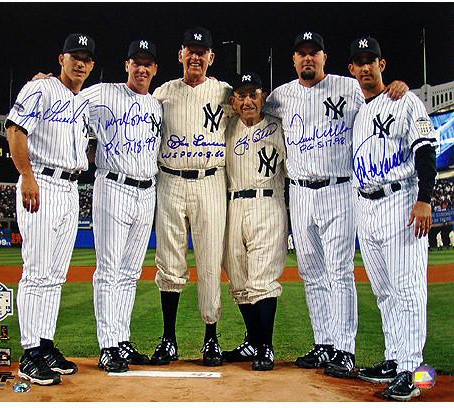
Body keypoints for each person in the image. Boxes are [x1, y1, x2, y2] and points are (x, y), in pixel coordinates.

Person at [265, 31, 408, 378]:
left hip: (339, 189)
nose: (308, 58)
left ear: (325, 58)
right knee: (311, 273)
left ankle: (344, 348)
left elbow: (380, 98)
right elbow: (248, 107)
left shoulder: (349, 88)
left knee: (339, 272)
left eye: (314, 53)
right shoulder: (279, 97)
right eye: (302, 53)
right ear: (294, 60)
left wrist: (396, 87)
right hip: (299, 192)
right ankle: (324, 343)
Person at [348, 36, 436, 401]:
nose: (366, 67)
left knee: (408, 290)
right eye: (359, 61)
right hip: (366, 209)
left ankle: (413, 370)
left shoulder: (404, 100)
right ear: (352, 69)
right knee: (384, 292)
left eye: (372, 60)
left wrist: (425, 199)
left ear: (382, 66)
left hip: (401, 202)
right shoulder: (359, 113)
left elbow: (426, 148)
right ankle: (394, 357)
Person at [5, 33, 96, 386]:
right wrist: (26, 175)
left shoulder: (82, 101)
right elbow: (15, 130)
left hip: (70, 187)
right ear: (61, 58)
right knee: (38, 270)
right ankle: (29, 353)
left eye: (87, 59)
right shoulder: (39, 89)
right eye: (75, 55)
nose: (80, 63)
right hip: (41, 181)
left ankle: (44, 344)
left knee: (56, 275)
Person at [150, 27, 232, 366]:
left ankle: (211, 338)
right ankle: (168, 338)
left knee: (211, 262)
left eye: (203, 51)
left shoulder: (226, 92)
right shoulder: (163, 92)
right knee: (169, 261)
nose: (196, 56)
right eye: (190, 50)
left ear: (211, 57)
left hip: (211, 180)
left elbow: (261, 106)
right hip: (169, 180)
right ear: (181, 54)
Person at [80, 39, 162, 372]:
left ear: (155, 69)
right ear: (126, 65)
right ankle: (108, 345)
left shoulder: (157, 105)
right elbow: (68, 100)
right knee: (109, 270)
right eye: (136, 62)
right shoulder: (102, 92)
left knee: (130, 273)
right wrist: (46, 81)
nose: (142, 68)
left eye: (148, 63)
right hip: (113, 185)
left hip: (147, 192)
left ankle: (121, 340)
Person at [221, 72, 287, 371]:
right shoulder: (226, 127)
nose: (248, 100)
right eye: (242, 94)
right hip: (233, 204)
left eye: (253, 93)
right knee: (238, 279)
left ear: (264, 96)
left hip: (267, 202)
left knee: (262, 278)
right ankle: (253, 340)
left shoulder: (279, 126)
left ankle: (266, 347)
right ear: (234, 100)